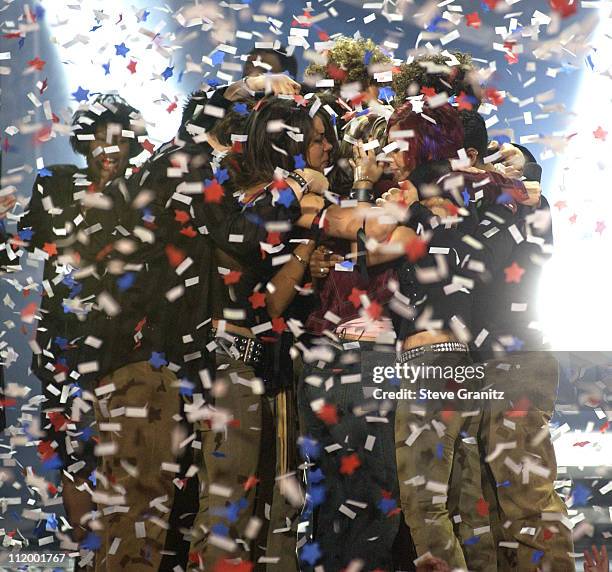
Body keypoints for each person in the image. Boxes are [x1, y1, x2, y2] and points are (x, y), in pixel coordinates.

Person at [0, 93, 146, 545]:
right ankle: (88, 553)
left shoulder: (146, 191)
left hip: (132, 348)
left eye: (120, 139)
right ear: (85, 144)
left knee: (128, 461)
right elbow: (19, 247)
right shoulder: (56, 185)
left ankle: (123, 553)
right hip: (66, 348)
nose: (111, 149)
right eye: (101, 139)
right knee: (76, 456)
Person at [450, 110, 575, 572]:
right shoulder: (478, 197)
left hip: (514, 360)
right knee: (477, 513)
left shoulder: (518, 196)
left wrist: (523, 173)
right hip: (472, 363)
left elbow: (483, 263)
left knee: (525, 505)